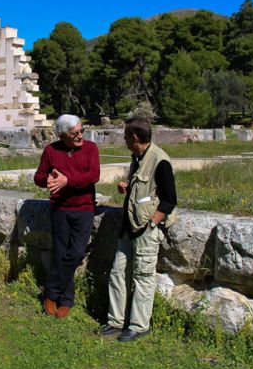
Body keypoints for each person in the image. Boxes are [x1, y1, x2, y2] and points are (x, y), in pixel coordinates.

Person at [100, 116, 177, 342]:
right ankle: (115, 321)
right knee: (118, 273)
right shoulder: (137, 158)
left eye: (125, 136)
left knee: (143, 277)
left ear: (135, 138)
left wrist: (152, 223)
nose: (123, 140)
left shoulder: (160, 160)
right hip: (129, 227)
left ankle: (139, 325)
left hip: (145, 229)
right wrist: (128, 186)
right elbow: (145, 191)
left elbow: (170, 200)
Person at [34, 114, 100, 318]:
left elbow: (93, 175)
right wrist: (49, 179)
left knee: (77, 253)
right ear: (63, 135)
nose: (81, 135)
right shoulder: (51, 150)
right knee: (61, 255)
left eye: (82, 131)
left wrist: (67, 181)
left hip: (84, 209)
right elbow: (38, 176)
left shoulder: (91, 148)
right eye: (75, 133)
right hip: (60, 209)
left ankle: (50, 292)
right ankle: (65, 300)